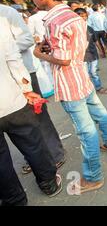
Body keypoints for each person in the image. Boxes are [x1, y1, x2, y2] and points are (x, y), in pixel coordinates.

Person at [24, 0, 107, 193]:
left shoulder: (55, 21)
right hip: (82, 77)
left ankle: (93, 177)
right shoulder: (72, 16)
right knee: (99, 113)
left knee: (86, 132)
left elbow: (64, 59)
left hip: (69, 84)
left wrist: (40, 55)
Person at [0, 4, 66, 175]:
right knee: (19, 127)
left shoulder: (7, 13)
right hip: (5, 82)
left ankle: (55, 154)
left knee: (38, 117)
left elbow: (27, 39)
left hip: (24, 74)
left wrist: (5, 49)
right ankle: (36, 160)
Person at [0, 39, 63, 206]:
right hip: (12, 101)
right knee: (33, 145)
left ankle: (14, 200)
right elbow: (14, 62)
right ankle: (49, 184)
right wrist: (27, 90)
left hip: (12, 101)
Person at [75, 8, 107, 95]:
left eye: (84, 16)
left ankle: (98, 87)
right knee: (85, 73)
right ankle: (87, 90)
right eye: (80, 16)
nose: (83, 18)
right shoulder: (74, 30)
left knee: (93, 72)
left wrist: (101, 50)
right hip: (82, 56)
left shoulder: (89, 28)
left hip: (93, 53)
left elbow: (95, 40)